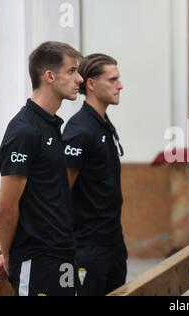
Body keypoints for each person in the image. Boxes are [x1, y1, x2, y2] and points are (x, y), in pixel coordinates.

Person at [0, 41, 83, 296]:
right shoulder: (25, 130)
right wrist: (9, 256)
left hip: (62, 255)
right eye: (72, 71)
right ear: (50, 76)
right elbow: (4, 207)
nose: (79, 78)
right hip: (37, 259)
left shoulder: (50, 125)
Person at [62, 54, 127, 296]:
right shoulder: (79, 130)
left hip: (112, 242)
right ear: (90, 84)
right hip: (87, 248)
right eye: (113, 79)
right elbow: (61, 192)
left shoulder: (102, 123)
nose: (120, 85)